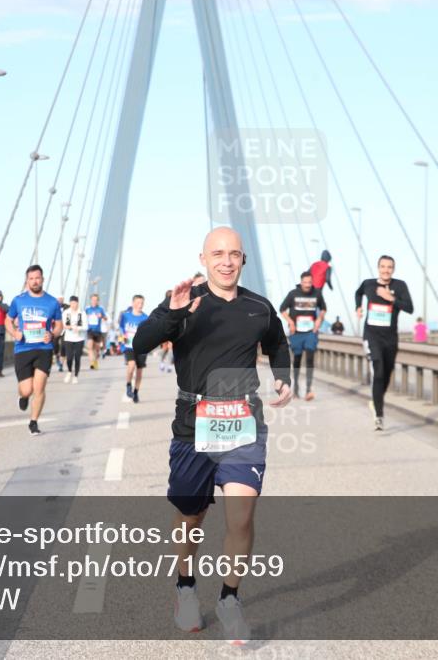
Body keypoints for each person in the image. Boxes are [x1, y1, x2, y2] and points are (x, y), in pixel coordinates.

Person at [132, 226, 291, 645]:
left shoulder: (259, 307)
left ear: (243, 260)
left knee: (242, 514)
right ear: (203, 259)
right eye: (217, 254)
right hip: (192, 426)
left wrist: (282, 375)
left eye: (234, 254)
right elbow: (140, 343)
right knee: (191, 516)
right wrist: (171, 313)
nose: (226, 261)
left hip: (243, 422)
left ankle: (229, 599)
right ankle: (185, 586)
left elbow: (277, 342)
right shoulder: (185, 302)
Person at [355, 255, 414, 430]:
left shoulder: (400, 286)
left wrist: (391, 298)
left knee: (386, 374)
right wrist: (358, 307)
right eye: (383, 266)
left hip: (390, 338)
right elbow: (358, 293)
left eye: (389, 267)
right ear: (378, 268)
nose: (386, 270)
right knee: (378, 371)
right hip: (372, 335)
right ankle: (379, 415)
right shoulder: (368, 284)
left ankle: (376, 400)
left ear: (393, 269)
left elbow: (410, 308)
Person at [5, 265, 63, 435]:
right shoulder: (18, 300)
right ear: (27, 281)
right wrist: (14, 333)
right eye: (31, 279)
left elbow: (59, 325)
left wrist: (52, 334)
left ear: (42, 279)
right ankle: (23, 397)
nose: (35, 281)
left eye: (37, 278)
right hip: (23, 348)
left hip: (44, 348)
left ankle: (34, 422)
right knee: (27, 390)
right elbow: (8, 320)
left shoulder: (52, 302)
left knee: (39, 388)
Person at [279, 271, 326, 401]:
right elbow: (282, 309)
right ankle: (296, 389)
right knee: (297, 360)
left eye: (309, 282)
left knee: (310, 357)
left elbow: (323, 309)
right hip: (297, 333)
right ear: (301, 282)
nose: (307, 285)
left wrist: (319, 319)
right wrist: (290, 322)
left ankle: (308, 390)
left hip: (311, 332)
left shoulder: (317, 293)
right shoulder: (293, 294)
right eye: (305, 282)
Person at [119, 295, 150, 403]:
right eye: (137, 303)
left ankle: (136, 392)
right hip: (128, 346)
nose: (140, 305)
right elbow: (121, 328)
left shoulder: (146, 318)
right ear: (133, 303)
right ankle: (128, 385)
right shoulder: (125, 316)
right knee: (131, 365)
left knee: (139, 371)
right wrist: (122, 336)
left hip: (141, 347)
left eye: (142, 303)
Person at [61, 295, 86, 384]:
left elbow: (85, 326)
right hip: (69, 338)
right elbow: (65, 324)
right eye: (71, 303)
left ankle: (75, 376)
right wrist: (70, 327)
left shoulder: (81, 313)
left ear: (77, 303)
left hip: (79, 338)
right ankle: (69, 371)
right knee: (69, 357)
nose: (73, 305)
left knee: (77, 358)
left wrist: (79, 328)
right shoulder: (66, 312)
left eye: (75, 303)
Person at [85, 294, 108, 369]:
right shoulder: (87, 309)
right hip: (90, 330)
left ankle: (95, 361)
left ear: (98, 301)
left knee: (97, 350)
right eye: (93, 300)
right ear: (91, 300)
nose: (94, 301)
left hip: (98, 332)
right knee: (90, 347)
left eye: (96, 300)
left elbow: (106, 318)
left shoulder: (100, 309)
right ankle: (92, 363)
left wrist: (102, 316)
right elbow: (82, 318)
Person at [53, 296, 66, 373]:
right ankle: (56, 356)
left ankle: (61, 364)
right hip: (56, 329)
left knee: (63, 346)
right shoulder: (53, 307)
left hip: (64, 330)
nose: (60, 301)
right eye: (58, 300)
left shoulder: (67, 307)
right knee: (55, 346)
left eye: (61, 300)